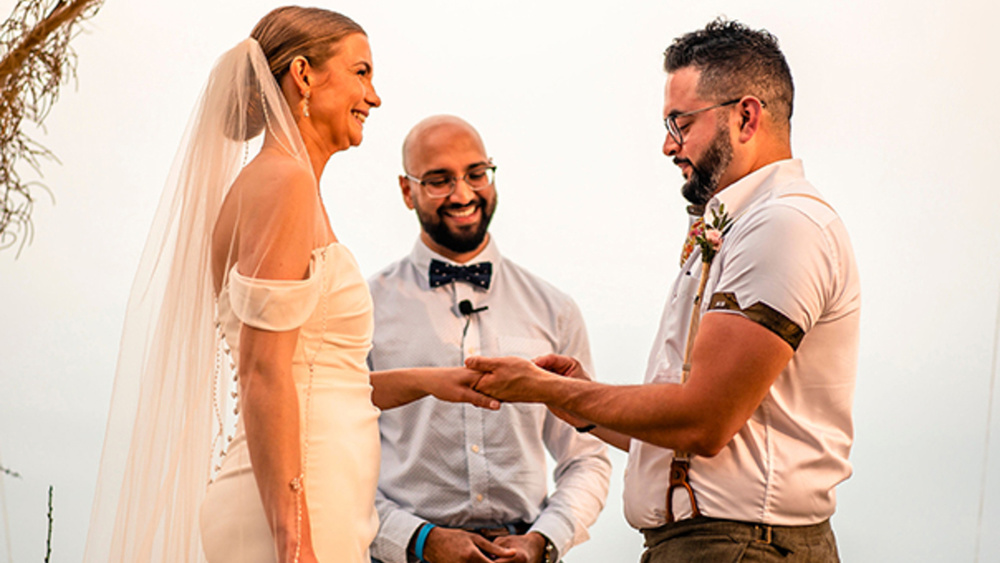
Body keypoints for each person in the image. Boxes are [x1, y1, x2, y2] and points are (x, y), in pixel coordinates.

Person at [84, 8, 494, 563]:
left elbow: (316, 376)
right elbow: (263, 370)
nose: (374, 97)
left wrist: (432, 381)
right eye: (361, 72)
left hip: (316, 493)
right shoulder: (285, 183)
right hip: (299, 504)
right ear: (303, 75)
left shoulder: (276, 183)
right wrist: (293, 537)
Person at [469, 19, 860, 562]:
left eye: (680, 122)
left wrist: (550, 392)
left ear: (746, 116)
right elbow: (689, 432)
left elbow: (703, 420)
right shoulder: (743, 222)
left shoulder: (783, 226)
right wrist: (586, 407)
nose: (666, 145)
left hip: (741, 548)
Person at [367, 115, 611, 563]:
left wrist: (543, 541)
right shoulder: (363, 310)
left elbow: (587, 456)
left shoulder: (555, 308)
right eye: (440, 180)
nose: (463, 195)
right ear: (407, 191)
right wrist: (420, 541)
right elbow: (336, 464)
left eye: (476, 174)